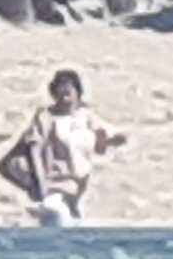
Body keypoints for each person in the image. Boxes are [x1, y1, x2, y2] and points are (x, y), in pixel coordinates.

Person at [8, 67, 126, 226]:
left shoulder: (85, 116)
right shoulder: (46, 118)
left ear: (78, 93)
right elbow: (33, 149)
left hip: (75, 193)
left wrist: (114, 139)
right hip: (53, 192)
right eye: (60, 93)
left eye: (68, 92)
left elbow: (105, 136)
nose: (64, 99)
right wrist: (39, 186)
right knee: (58, 225)